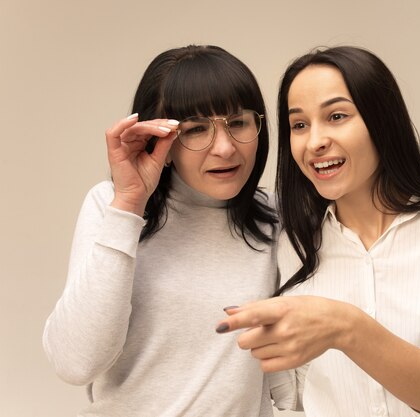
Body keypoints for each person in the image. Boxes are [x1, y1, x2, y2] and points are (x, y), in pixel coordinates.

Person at [217, 46, 420, 417]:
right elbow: (289, 398)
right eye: (299, 125)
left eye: (336, 116)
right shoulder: (291, 240)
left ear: (382, 120)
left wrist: (345, 326)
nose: (314, 142)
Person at [43, 45, 279, 416]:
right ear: (161, 140)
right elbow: (75, 363)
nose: (225, 147)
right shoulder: (112, 205)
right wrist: (129, 205)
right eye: (196, 129)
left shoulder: (274, 218)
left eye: (238, 123)